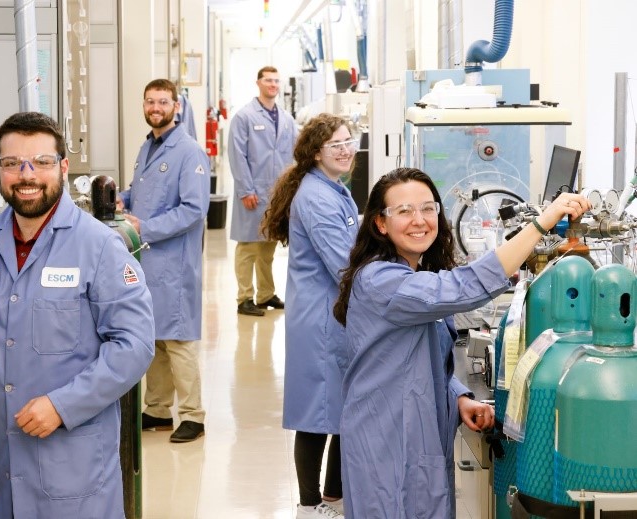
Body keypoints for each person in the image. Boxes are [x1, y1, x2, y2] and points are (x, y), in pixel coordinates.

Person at [332, 167, 591, 518]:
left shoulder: (412, 272)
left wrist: (458, 397)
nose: (419, 220)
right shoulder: (382, 280)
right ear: (380, 223)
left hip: (414, 433)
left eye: (428, 208)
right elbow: (461, 288)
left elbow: (421, 357)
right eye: (404, 211)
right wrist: (540, 225)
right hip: (386, 441)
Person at [0, 111, 155, 518]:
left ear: (63, 167)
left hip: (73, 468)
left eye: (41, 162)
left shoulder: (98, 246)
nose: (26, 175)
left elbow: (134, 345)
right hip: (0, 466)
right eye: (12, 163)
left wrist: (63, 405)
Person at [261, 114, 359, 519]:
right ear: (316, 153)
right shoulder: (317, 197)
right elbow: (341, 263)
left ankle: (333, 496)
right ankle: (309, 504)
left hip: (329, 312)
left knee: (338, 407)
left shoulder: (332, 188)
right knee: (318, 412)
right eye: (335, 143)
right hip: (322, 317)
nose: (345, 149)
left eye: (349, 140)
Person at [119, 78, 211, 443]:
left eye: (162, 102)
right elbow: (142, 191)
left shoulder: (188, 152)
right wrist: (123, 198)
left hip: (174, 262)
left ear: (176, 106)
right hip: (148, 261)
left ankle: (193, 415)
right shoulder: (148, 147)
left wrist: (145, 228)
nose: (155, 108)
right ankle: (157, 410)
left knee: (179, 340)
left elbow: (193, 209)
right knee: (154, 337)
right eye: (149, 102)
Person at [228, 65, 299, 316]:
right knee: (247, 247)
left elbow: (297, 151)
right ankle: (244, 297)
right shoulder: (244, 117)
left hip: (275, 195)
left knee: (268, 246)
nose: (273, 85)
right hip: (252, 192)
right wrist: (246, 190)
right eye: (268, 80)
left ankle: (265, 294)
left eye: (276, 81)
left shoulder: (287, 119)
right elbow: (237, 156)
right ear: (258, 83)